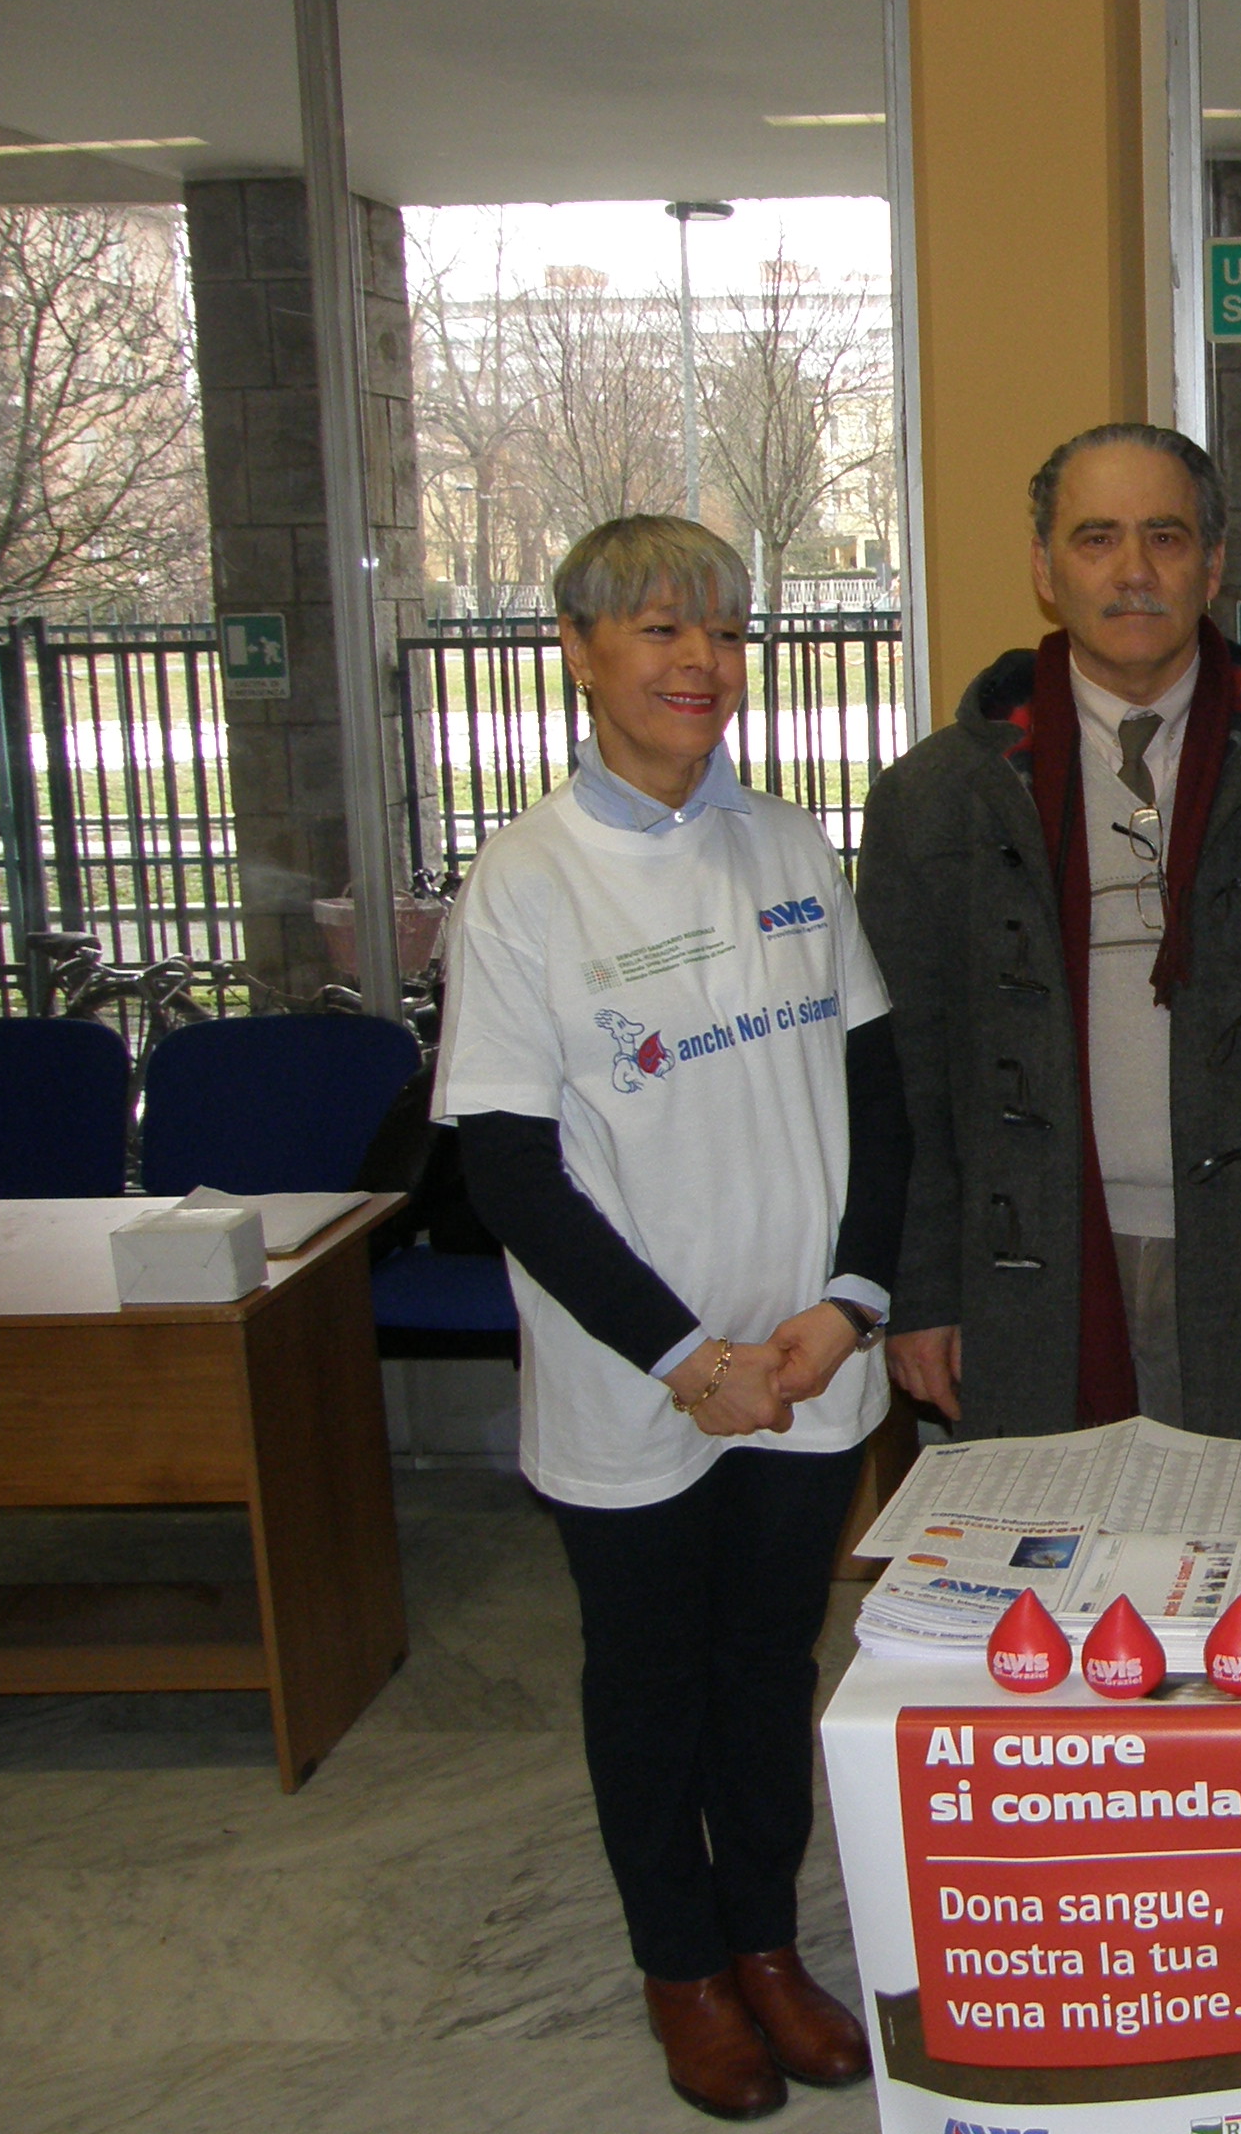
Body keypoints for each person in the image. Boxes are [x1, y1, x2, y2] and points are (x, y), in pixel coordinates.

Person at [433, 515, 906, 2121]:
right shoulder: (526, 883)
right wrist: (683, 1356)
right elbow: (504, 1166)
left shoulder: (787, 847)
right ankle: (681, 1967)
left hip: (806, 1365)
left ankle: (767, 1943)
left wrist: (848, 1305)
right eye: (656, 631)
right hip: (645, 1384)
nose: (699, 662)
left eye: (720, 633)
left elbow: (876, 1093)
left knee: (772, 1661)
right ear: (577, 651)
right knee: (649, 1679)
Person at [857, 425, 1241, 1443]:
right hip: (1024, 1262)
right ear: (1045, 568)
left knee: (1237, 1560)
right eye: (1096, 539)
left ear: (1212, 564)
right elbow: (910, 1080)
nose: (1134, 572)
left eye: (1166, 539)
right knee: (1047, 1572)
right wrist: (919, 1292)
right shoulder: (938, 795)